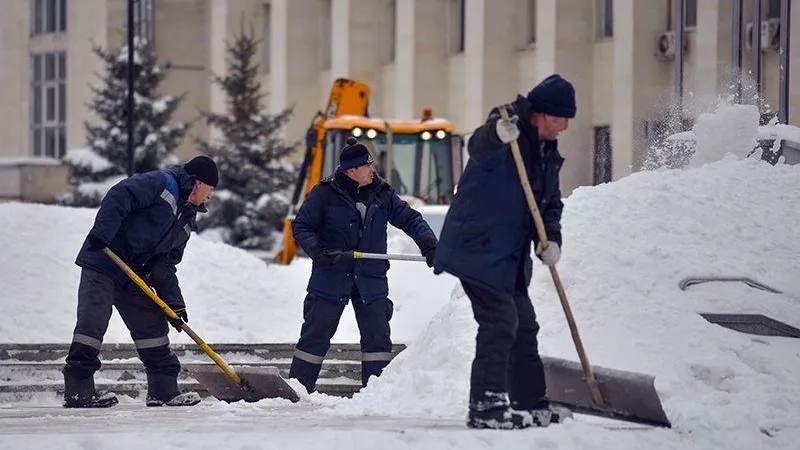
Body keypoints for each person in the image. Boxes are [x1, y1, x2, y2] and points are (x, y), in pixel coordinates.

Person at [433, 74, 576, 429]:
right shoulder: (505, 132)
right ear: (541, 114)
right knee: (500, 322)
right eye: (560, 119)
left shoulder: (545, 152)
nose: (565, 127)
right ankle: (487, 407)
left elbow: (550, 203)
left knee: (525, 325)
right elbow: (479, 145)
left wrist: (551, 239)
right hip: (477, 248)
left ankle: (531, 402)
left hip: (508, 258)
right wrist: (497, 134)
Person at [62, 155, 219, 408]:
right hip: (104, 258)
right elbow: (119, 196)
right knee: (92, 324)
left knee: (152, 328)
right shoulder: (162, 183)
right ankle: (79, 391)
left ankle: (163, 391)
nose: (211, 196)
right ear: (199, 183)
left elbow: (165, 264)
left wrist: (174, 304)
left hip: (133, 272)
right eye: (211, 189)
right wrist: (102, 234)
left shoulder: (187, 220)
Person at [289, 139, 438, 393]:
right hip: (331, 276)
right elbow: (302, 226)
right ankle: (298, 391)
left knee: (378, 340)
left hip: (370, 279)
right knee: (315, 335)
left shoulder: (382, 193)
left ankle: (376, 394)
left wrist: (430, 245)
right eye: (366, 165)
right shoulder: (325, 194)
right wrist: (318, 252)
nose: (372, 169)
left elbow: (411, 219)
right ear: (351, 171)